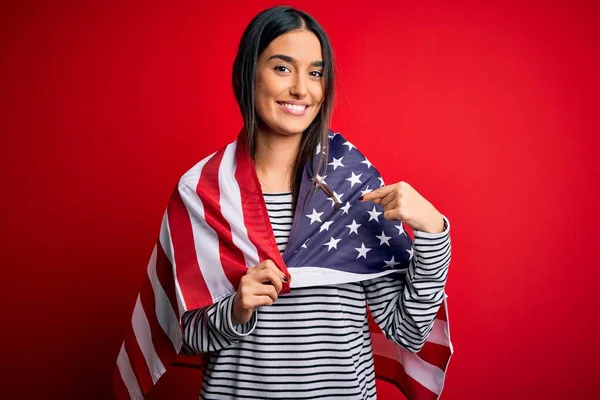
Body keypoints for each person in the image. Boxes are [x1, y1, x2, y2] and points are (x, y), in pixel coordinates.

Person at [176, 5, 452, 400]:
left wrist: (434, 235)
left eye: (316, 73)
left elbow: (407, 330)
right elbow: (184, 336)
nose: (301, 90)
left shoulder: (353, 188)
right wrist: (236, 309)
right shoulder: (203, 191)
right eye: (282, 68)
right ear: (248, 73)